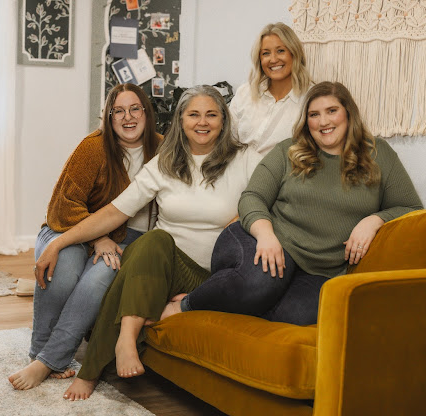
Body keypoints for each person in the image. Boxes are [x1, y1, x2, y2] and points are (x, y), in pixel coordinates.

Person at [32, 85, 262, 400]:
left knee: (137, 253)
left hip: (213, 276)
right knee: (151, 243)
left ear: (224, 120)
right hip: (167, 267)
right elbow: (115, 212)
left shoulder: (246, 158)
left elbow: (269, 203)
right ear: (181, 120)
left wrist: (245, 217)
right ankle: (118, 347)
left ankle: (88, 369)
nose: (202, 122)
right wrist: (57, 244)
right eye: (193, 114)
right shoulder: (166, 161)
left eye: (211, 114)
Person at [161, 81, 424, 326]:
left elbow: (412, 209)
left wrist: (374, 220)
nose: (323, 121)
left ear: (348, 113)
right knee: (263, 281)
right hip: (259, 240)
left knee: (293, 315)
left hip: (320, 271)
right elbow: (252, 197)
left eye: (332, 111)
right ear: (307, 121)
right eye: (314, 114)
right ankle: (185, 305)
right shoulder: (288, 150)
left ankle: (221, 296)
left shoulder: (377, 154)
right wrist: (266, 236)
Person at [8, 83, 160, 390]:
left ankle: (47, 361)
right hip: (67, 228)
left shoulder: (162, 149)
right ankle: (39, 351)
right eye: (118, 111)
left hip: (124, 238)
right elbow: (63, 206)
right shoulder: (94, 147)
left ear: (146, 112)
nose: (128, 117)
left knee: (97, 279)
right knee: (63, 269)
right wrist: (98, 238)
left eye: (135, 109)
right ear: (108, 116)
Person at [230, 22, 312, 155]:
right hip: (238, 166)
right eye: (266, 53)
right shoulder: (244, 93)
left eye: (280, 51)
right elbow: (227, 140)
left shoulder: (311, 98)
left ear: (294, 53)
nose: (273, 60)